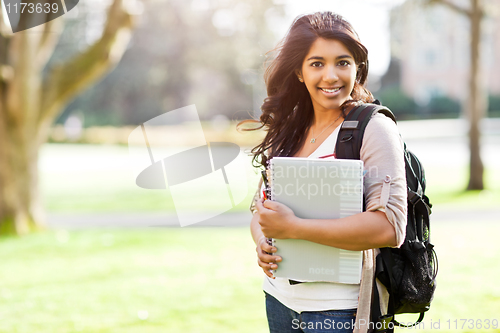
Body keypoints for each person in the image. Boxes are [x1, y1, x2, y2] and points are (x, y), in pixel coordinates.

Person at [240, 12, 408, 333]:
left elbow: (389, 227)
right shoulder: (290, 129)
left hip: (338, 311)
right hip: (279, 301)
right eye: (317, 63)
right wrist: (263, 241)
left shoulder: (373, 127)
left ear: (357, 68)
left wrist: (296, 227)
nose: (331, 76)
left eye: (342, 63)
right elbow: (261, 210)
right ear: (300, 72)